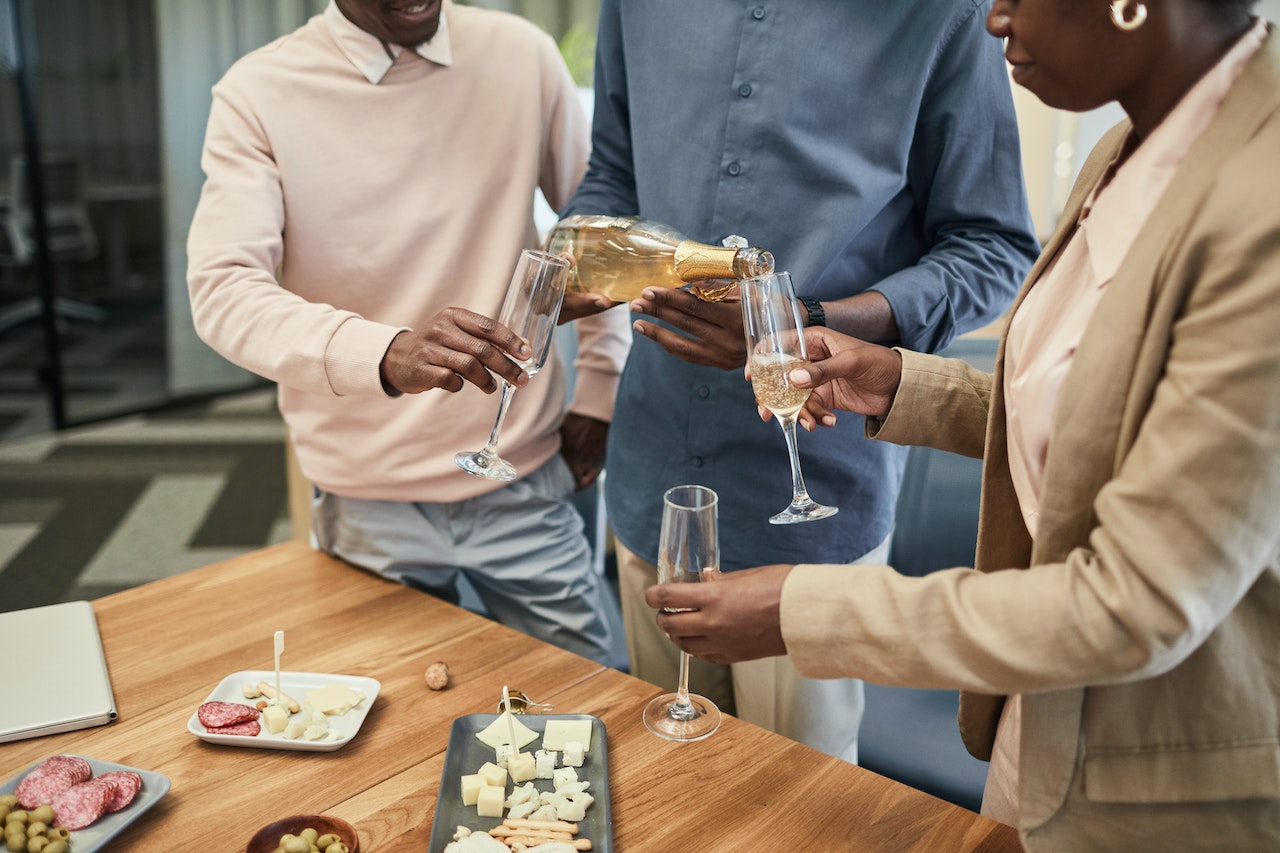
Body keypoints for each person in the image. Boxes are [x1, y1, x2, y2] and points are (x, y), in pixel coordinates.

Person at [649, 0, 1280, 847]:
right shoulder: (1132, 148)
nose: (994, 18)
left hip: (1158, 787)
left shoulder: (1261, 214)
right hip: (1045, 726)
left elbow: (1132, 606)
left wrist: (800, 608)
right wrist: (900, 383)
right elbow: (1105, 422)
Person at [559, 0, 1040, 760]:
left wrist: (808, 319)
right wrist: (575, 261)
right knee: (661, 782)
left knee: (797, 814)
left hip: (814, 504)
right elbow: (613, 176)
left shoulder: (947, 14)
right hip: (652, 474)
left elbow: (992, 248)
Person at [186, 0, 631, 666]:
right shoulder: (258, 93)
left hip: (522, 475)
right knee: (389, 731)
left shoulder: (521, 54)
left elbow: (600, 232)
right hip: (366, 498)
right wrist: (386, 353)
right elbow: (222, 290)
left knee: (588, 706)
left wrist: (601, 387)